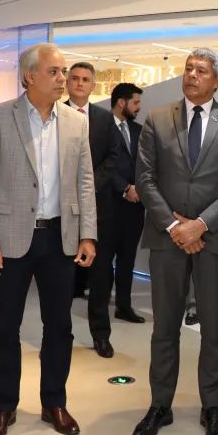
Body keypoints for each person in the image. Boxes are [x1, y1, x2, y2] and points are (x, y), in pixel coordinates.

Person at [0, 43, 98, 435]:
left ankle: (54, 402)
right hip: (10, 239)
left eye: (64, 72)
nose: (63, 79)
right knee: (5, 327)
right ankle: (4, 406)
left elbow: (85, 181)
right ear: (29, 76)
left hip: (60, 238)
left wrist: (88, 233)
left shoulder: (76, 122)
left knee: (59, 326)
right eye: (54, 72)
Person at [131, 48, 218, 435]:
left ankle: (211, 406)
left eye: (202, 70)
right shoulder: (157, 118)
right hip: (167, 239)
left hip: (214, 240)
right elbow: (145, 179)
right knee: (164, 327)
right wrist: (173, 226)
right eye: (188, 69)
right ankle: (159, 405)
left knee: (214, 329)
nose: (192, 75)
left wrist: (199, 225)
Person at [64, 61, 124, 359]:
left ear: (93, 85)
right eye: (74, 78)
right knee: (61, 277)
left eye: (85, 79)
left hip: (99, 208)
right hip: (61, 208)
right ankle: (59, 335)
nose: (79, 83)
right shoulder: (54, 114)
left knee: (101, 276)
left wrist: (88, 185)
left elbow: (114, 156)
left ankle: (101, 335)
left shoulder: (104, 119)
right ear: (67, 82)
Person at [108, 82, 145, 323]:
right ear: (122, 102)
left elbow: (146, 163)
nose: (139, 107)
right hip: (109, 204)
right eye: (135, 102)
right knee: (103, 261)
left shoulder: (139, 130)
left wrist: (138, 188)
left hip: (135, 206)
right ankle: (99, 309)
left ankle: (124, 306)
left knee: (127, 259)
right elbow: (101, 164)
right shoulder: (101, 127)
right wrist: (124, 188)